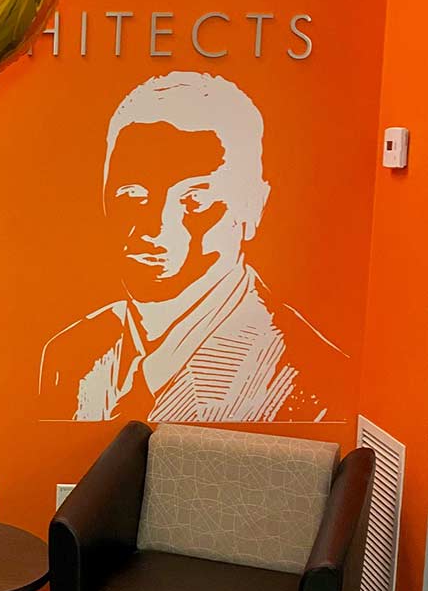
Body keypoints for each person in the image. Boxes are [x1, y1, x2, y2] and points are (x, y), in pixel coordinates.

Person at [39, 72, 347, 423]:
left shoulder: (305, 378)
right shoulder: (70, 354)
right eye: (133, 195)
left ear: (253, 207)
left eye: (194, 198)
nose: (154, 227)